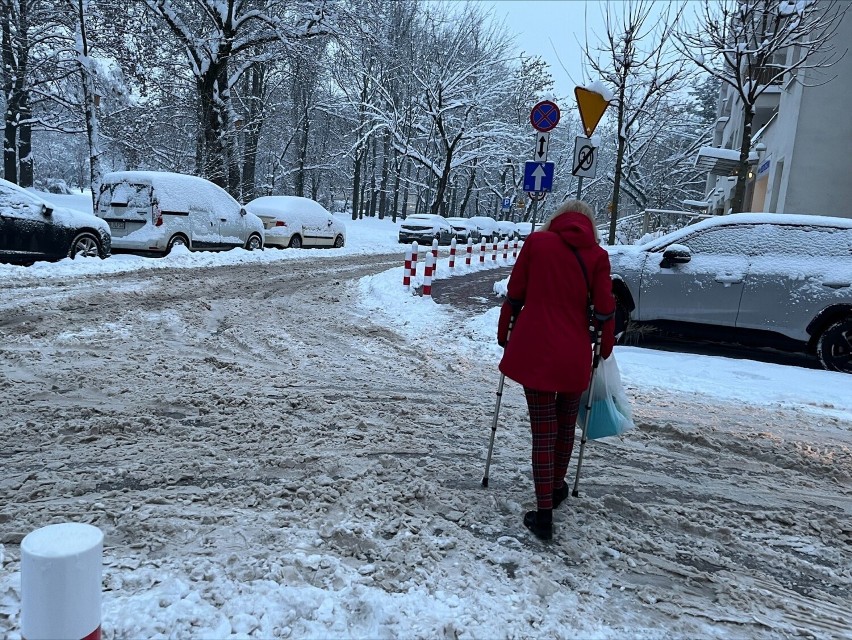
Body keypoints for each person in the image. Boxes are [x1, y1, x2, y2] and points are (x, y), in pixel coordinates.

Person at [496, 199, 615, 541]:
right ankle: (557, 487)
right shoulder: (597, 256)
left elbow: (515, 294)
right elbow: (605, 310)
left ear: (556, 220)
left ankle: (544, 512)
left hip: (535, 352)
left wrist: (504, 332)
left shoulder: (537, 243)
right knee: (565, 427)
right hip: (574, 354)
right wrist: (604, 348)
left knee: (543, 432)